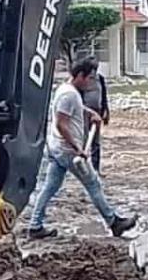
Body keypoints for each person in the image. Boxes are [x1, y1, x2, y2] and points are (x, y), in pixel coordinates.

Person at [27, 58, 137, 240]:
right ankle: (113, 222)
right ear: (80, 76)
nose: (92, 82)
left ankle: (35, 225)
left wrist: (89, 112)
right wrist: (78, 148)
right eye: (90, 78)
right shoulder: (68, 95)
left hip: (58, 149)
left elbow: (73, 108)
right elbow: (62, 124)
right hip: (68, 152)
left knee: (49, 187)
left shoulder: (68, 91)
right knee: (93, 184)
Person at [78, 59, 110, 173]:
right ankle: (83, 167)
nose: (94, 71)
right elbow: (79, 97)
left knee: (96, 141)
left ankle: (96, 168)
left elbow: (104, 95)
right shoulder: (83, 80)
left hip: (98, 111)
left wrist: (106, 111)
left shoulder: (100, 78)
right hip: (86, 112)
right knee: (85, 139)